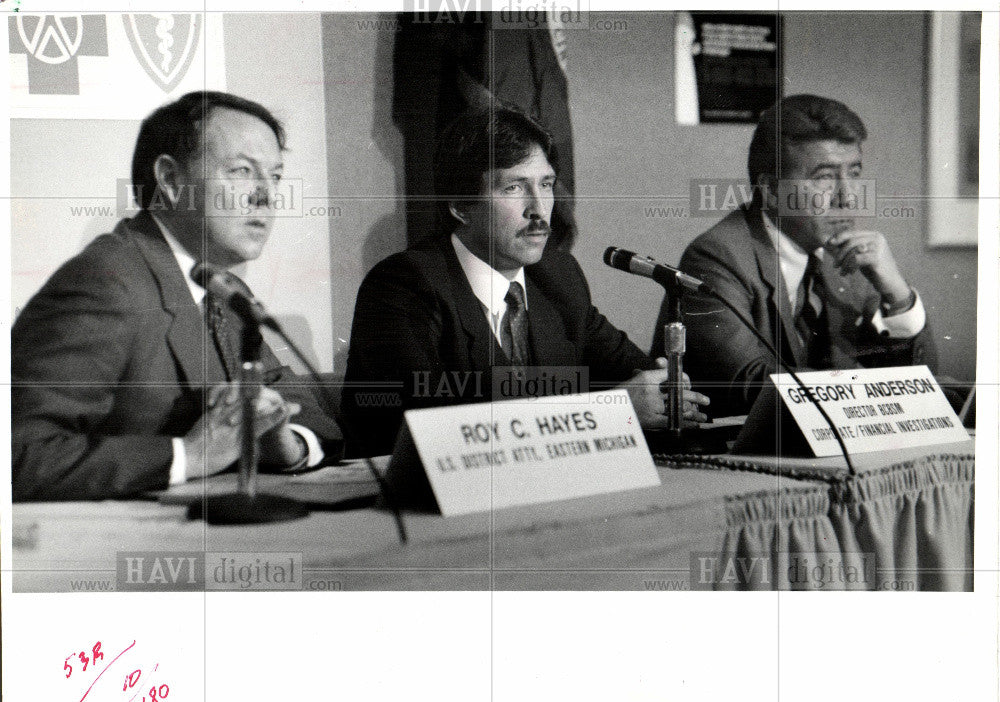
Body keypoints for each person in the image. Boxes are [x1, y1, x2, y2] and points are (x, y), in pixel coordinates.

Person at [12, 91, 342, 502]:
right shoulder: (106, 280)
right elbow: (22, 454)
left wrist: (284, 440)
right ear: (170, 181)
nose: (267, 196)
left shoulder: (223, 286)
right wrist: (188, 455)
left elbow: (305, 411)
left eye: (274, 177)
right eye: (241, 171)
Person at [343, 106, 709, 455]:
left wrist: (665, 391)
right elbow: (436, 426)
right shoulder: (402, 285)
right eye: (514, 188)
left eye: (546, 184)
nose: (539, 208)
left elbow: (630, 371)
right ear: (459, 206)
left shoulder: (557, 276)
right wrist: (611, 409)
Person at [653, 94, 937, 417]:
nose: (849, 197)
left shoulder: (842, 255)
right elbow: (753, 388)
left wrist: (897, 294)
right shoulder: (716, 258)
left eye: (854, 173)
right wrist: (876, 391)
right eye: (825, 178)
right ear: (772, 191)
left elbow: (920, 386)